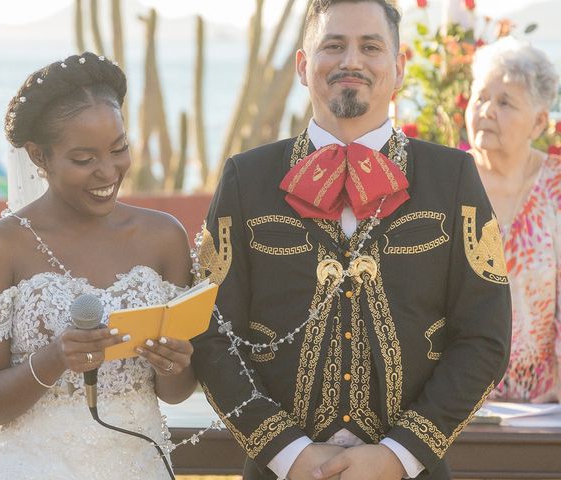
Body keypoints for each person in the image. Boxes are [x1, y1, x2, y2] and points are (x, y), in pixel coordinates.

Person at [191, 1, 511, 479]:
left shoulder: (453, 178)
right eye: (333, 46)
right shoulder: (245, 179)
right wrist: (288, 453)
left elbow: (484, 336)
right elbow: (211, 332)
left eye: (370, 47)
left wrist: (399, 455)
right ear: (304, 65)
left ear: (399, 68)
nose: (351, 61)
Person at [0, 52, 197, 479]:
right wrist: (55, 358)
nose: (108, 171)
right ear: (39, 156)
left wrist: (174, 364)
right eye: (84, 159)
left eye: (119, 149)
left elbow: (174, 393)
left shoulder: (163, 236)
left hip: (138, 463)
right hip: (33, 466)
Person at [465, 37, 561, 403]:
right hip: (453, 403)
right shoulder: (447, 182)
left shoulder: (556, 186)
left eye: (505, 102)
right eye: (480, 97)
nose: (486, 110)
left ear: (538, 122)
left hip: (545, 403)